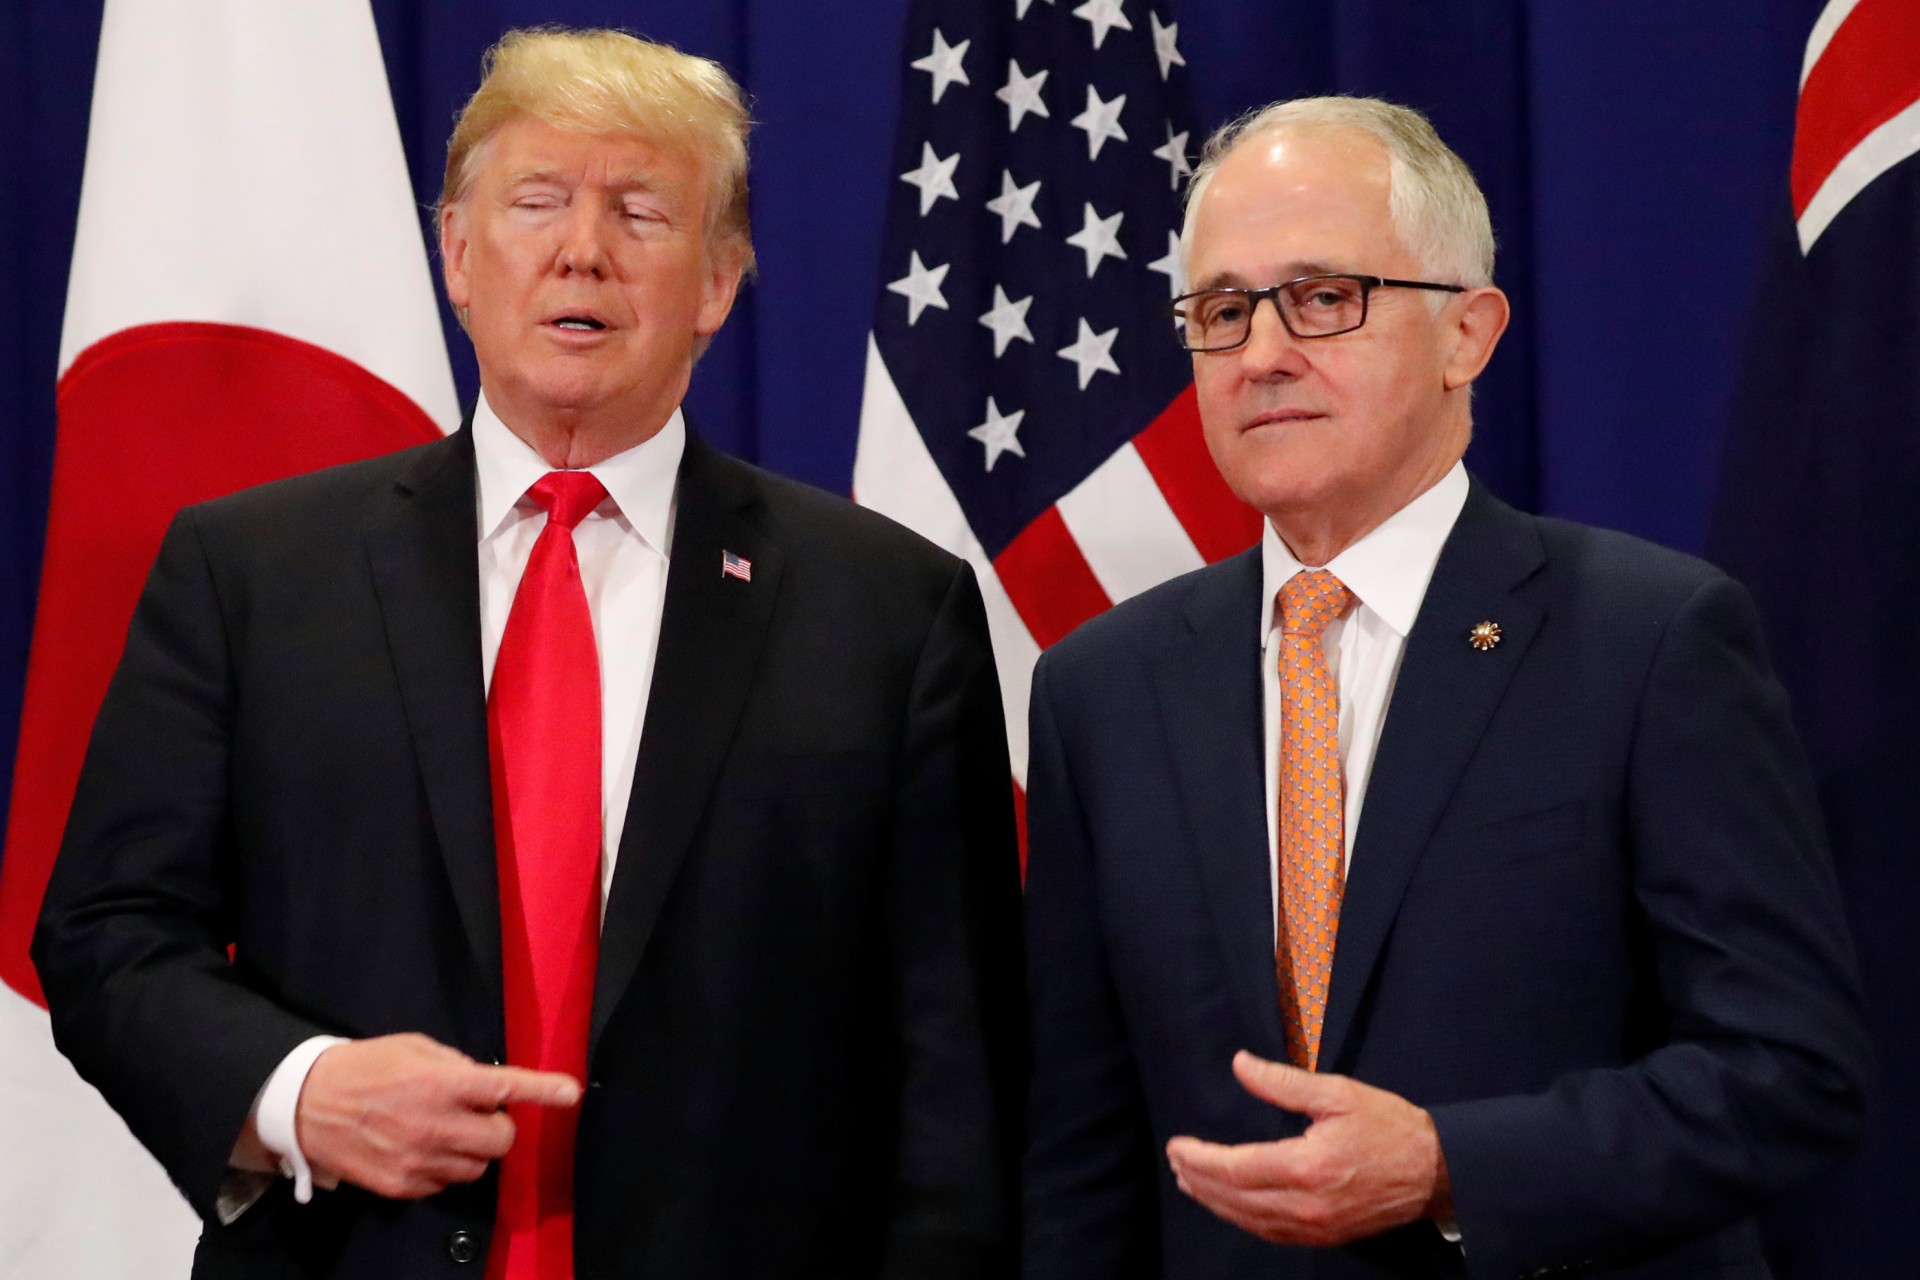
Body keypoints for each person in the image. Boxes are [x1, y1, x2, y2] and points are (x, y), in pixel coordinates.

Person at [34, 28, 1023, 1280]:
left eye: (643, 211)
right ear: (457, 252)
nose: (582, 250)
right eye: (537, 201)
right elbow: (108, 929)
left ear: (720, 281)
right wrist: (300, 1088)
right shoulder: (252, 573)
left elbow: (954, 1068)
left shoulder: (889, 611)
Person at [1021, 97, 1868, 1280]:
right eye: (1222, 311)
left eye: (1322, 298)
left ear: (1467, 333)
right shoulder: (1098, 688)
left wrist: (1450, 1161)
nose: (1263, 353)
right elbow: (1080, 1145)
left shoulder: (1652, 637)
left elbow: (1791, 1069)